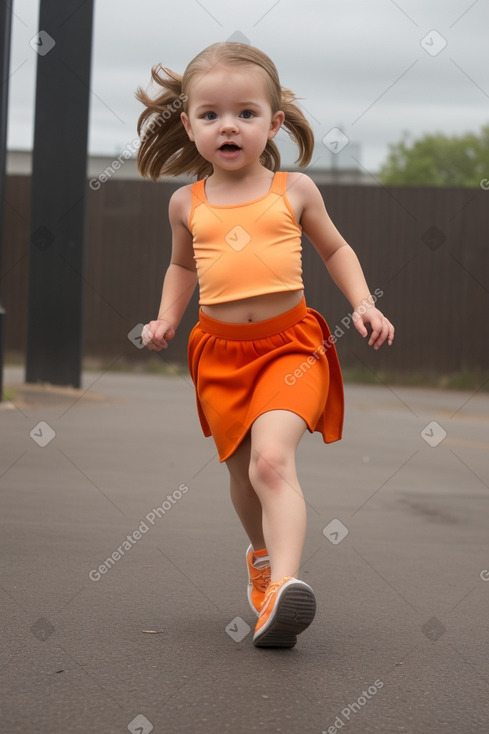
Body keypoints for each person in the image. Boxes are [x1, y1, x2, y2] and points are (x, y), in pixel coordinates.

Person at [137, 42, 394, 648]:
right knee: (242, 475)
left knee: (272, 461)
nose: (229, 125)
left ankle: (283, 588)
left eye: (246, 113)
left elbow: (335, 248)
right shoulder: (186, 203)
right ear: (189, 124)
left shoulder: (294, 190)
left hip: (290, 347)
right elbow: (181, 270)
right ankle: (260, 558)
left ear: (273, 122)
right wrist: (165, 318)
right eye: (212, 114)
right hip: (219, 355)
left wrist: (363, 302)